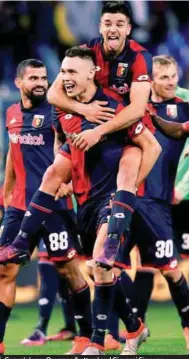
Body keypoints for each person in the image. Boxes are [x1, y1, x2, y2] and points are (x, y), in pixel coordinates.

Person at [0, 47, 160, 355]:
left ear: (91, 74)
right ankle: (135, 328)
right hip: (82, 200)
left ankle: (94, 341)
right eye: (62, 71)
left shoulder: (114, 109)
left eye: (70, 72)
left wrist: (130, 188)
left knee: (98, 263)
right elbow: (61, 139)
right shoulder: (60, 111)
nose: (63, 78)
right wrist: (67, 173)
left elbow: (150, 146)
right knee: (99, 268)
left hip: (110, 200)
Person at [47, 1, 159, 268]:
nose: (113, 29)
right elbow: (53, 95)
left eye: (119, 24)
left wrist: (98, 130)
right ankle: (22, 238)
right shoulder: (86, 52)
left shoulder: (140, 56)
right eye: (108, 23)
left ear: (129, 29)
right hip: (94, 127)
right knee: (53, 174)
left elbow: (137, 108)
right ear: (100, 26)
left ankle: (114, 229)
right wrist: (83, 109)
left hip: (127, 128)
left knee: (136, 165)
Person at [0, 59, 92, 354]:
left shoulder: (58, 112)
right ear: (19, 83)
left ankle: (86, 337)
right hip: (18, 206)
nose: (40, 82)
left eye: (43, 77)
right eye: (33, 78)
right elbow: (13, 158)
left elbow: (76, 152)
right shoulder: (11, 112)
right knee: (5, 272)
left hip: (54, 206)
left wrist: (70, 182)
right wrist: (6, 195)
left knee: (69, 271)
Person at [123, 55, 189, 351]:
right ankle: (122, 332)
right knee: (108, 267)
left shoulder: (184, 105)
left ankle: (187, 330)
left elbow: (176, 130)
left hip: (162, 203)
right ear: (149, 80)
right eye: (163, 77)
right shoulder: (132, 108)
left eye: (174, 75)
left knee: (170, 269)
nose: (171, 81)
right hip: (129, 200)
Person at [21, 240, 76, 346]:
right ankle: (71, 329)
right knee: (65, 288)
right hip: (62, 238)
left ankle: (40, 331)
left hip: (61, 236)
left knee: (50, 271)